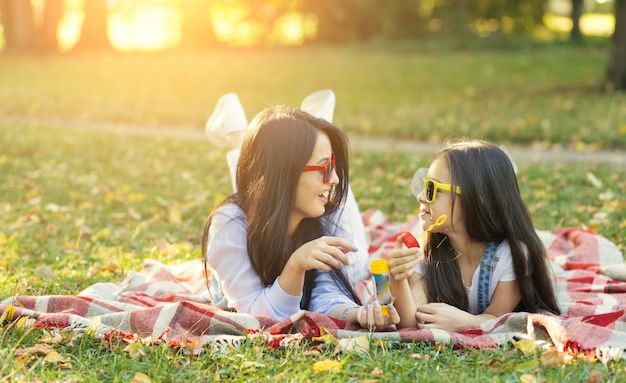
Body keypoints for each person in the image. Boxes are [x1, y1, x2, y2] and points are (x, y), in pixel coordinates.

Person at [202, 104, 399, 329]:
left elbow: (327, 295)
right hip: (263, 203)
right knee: (257, 191)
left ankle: (312, 134)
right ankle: (236, 132)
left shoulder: (326, 210)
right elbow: (258, 318)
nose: (334, 179)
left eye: (333, 166)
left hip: (282, 193)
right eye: (325, 167)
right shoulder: (229, 225)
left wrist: (355, 313)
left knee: (357, 257)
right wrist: (296, 265)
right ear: (287, 173)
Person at [388, 140, 560, 332]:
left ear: (477, 201)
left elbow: (496, 318)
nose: (420, 196)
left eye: (431, 189)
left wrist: (465, 323)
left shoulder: (511, 257)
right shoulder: (426, 251)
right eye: (423, 185)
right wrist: (398, 278)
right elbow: (411, 322)